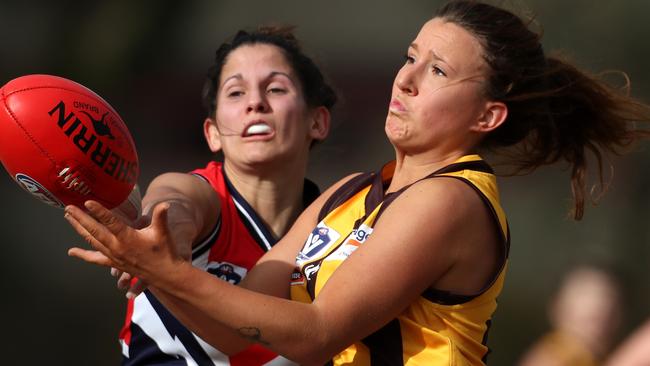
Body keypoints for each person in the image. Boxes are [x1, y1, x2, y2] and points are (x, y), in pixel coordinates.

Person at [64, 1, 650, 364]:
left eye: (438, 71)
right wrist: (159, 268)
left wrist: (165, 273)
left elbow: (317, 333)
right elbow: (236, 329)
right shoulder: (347, 191)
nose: (407, 79)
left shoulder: (452, 200)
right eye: (411, 56)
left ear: (486, 117)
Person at [111, 26, 336, 365]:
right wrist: (168, 231)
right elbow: (173, 201)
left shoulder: (336, 226)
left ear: (317, 122)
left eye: (275, 88)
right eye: (235, 93)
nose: (256, 103)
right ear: (213, 133)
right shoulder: (202, 195)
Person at [518, 265, 623, 366]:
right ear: (556, 306)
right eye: (584, 293)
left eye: (611, 299)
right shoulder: (552, 358)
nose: (599, 306)